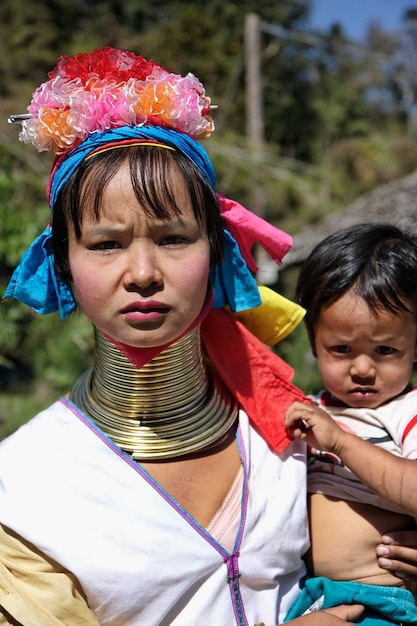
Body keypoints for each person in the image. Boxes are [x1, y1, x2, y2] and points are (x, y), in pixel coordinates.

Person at [0, 46, 368, 625]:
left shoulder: (301, 434)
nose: (143, 273)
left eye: (174, 239)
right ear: (61, 264)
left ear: (219, 252)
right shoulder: (22, 491)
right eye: (105, 244)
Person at [284, 223, 417, 625]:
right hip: (313, 597)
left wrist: (341, 443)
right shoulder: (308, 410)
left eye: (385, 350)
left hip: (384, 602)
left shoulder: (407, 411)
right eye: (341, 349)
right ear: (313, 340)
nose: (362, 368)